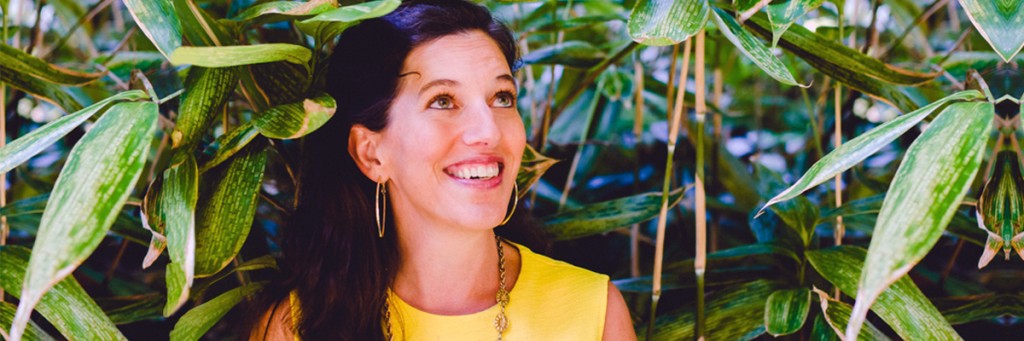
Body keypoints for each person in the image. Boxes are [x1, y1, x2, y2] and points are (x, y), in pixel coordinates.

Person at [249, 0, 636, 339]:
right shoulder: (299, 326)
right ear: (371, 154)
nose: (488, 131)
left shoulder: (591, 311)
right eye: (443, 101)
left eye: (502, 97)